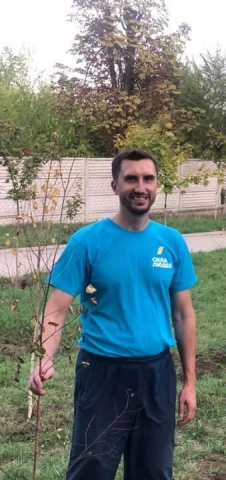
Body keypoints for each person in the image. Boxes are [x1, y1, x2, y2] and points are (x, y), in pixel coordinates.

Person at [28, 149, 198, 480]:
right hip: (101, 373)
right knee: (91, 470)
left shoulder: (172, 242)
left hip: (156, 374)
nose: (140, 186)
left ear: (157, 184)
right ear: (114, 185)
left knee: (154, 472)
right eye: (131, 178)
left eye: (148, 178)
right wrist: (44, 356)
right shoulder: (87, 242)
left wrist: (189, 381)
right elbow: (56, 309)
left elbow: (183, 316)